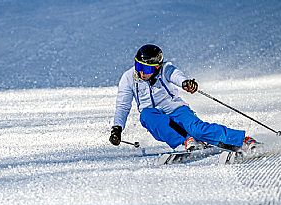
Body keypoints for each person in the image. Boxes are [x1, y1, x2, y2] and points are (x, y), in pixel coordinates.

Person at [109, 44, 257, 152]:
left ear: (156, 67)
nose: (141, 73)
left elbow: (175, 75)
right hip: (154, 117)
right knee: (146, 115)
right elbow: (123, 105)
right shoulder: (128, 78)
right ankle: (186, 141)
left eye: (146, 69)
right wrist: (117, 128)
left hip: (176, 109)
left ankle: (241, 140)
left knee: (197, 129)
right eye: (138, 66)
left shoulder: (165, 69)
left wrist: (185, 83)